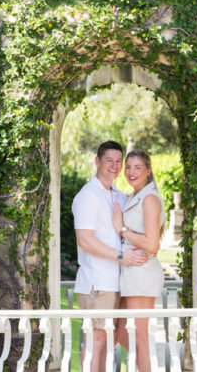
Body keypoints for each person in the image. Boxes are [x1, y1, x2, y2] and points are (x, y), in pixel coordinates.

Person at [73, 140, 148, 372]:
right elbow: (84, 240)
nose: (115, 167)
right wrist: (119, 256)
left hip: (118, 283)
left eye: (119, 162)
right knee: (96, 340)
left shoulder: (119, 196)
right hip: (97, 282)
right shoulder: (87, 196)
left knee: (107, 341)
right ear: (97, 161)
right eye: (109, 161)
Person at [112, 150, 165, 372]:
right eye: (128, 167)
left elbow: (152, 244)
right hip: (131, 273)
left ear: (148, 171)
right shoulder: (136, 196)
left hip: (142, 273)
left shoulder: (150, 198)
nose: (131, 172)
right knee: (123, 334)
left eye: (138, 168)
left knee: (139, 336)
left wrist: (122, 229)